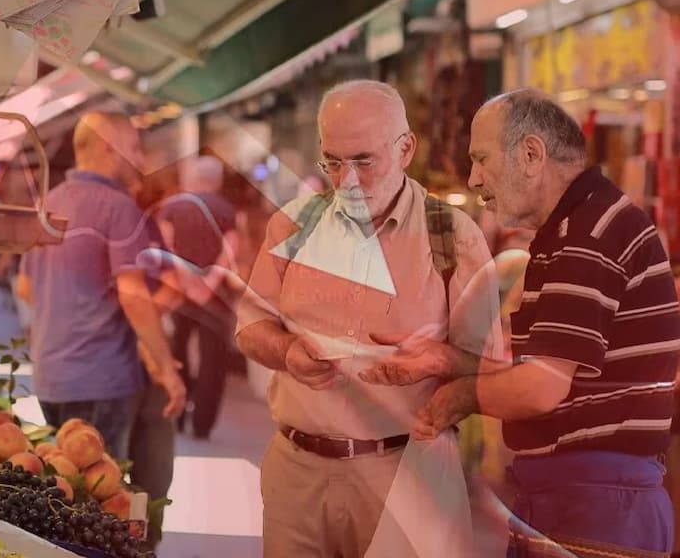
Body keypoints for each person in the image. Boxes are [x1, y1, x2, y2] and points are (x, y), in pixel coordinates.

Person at [366, 89, 680, 555]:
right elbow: (553, 376)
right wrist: (447, 359)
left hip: (597, 505)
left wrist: (461, 397)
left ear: (532, 154)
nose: (473, 177)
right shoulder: (576, 229)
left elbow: (540, 389)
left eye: (481, 158)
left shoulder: (586, 236)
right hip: (580, 499)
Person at [230, 80, 502, 557]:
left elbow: (489, 366)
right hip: (297, 475)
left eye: (363, 161)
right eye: (333, 162)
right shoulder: (292, 226)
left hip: (405, 473)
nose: (347, 180)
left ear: (405, 148)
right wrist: (288, 352)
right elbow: (250, 329)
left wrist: (437, 360)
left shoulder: (452, 237)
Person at [16, 111, 186, 460]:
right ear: (109, 147)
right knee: (100, 499)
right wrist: (167, 369)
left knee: (64, 493)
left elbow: (25, 288)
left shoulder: (48, 204)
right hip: (101, 382)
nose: (139, 159)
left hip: (50, 378)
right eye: (134, 147)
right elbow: (134, 295)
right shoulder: (118, 207)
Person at [154, 155, 239, 439]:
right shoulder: (227, 208)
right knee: (213, 359)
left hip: (179, 292)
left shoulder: (173, 206)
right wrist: (211, 282)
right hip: (216, 298)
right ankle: (202, 424)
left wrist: (186, 279)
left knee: (177, 350)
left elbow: (164, 243)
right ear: (217, 181)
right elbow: (232, 248)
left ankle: (175, 415)